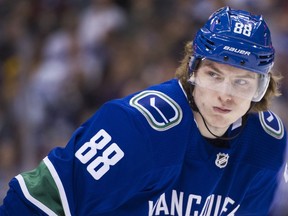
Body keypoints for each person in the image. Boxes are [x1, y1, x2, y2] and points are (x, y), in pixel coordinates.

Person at [0, 6, 287, 216]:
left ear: (261, 89)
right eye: (214, 75)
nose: (226, 94)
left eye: (241, 81)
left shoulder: (266, 144)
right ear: (193, 71)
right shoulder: (138, 127)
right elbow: (34, 201)